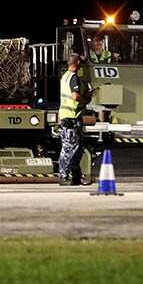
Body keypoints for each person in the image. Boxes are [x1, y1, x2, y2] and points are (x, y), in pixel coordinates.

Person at [56, 54, 91, 186]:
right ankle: (65, 175)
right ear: (76, 63)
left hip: (65, 116)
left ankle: (73, 175)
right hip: (71, 117)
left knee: (71, 146)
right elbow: (75, 96)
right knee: (71, 147)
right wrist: (86, 99)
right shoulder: (74, 77)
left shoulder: (65, 76)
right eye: (81, 63)